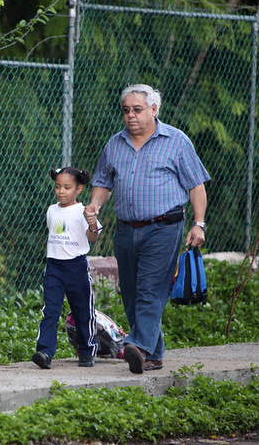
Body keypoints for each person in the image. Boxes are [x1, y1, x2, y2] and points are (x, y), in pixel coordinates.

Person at [84, 84, 209, 374]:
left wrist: (198, 223)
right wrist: (95, 206)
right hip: (127, 228)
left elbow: (196, 186)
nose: (130, 116)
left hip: (164, 227)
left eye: (137, 110)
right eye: (126, 110)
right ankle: (152, 356)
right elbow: (103, 182)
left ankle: (137, 344)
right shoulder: (114, 144)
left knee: (151, 288)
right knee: (130, 290)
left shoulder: (176, 141)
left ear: (154, 109)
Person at [32, 167, 101, 369]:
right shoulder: (52, 210)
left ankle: (87, 351)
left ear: (78, 189)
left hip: (76, 266)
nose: (61, 191)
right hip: (54, 266)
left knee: (83, 310)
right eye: (58, 187)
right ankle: (44, 352)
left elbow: (93, 236)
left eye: (67, 187)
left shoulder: (83, 211)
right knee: (50, 310)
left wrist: (92, 223)